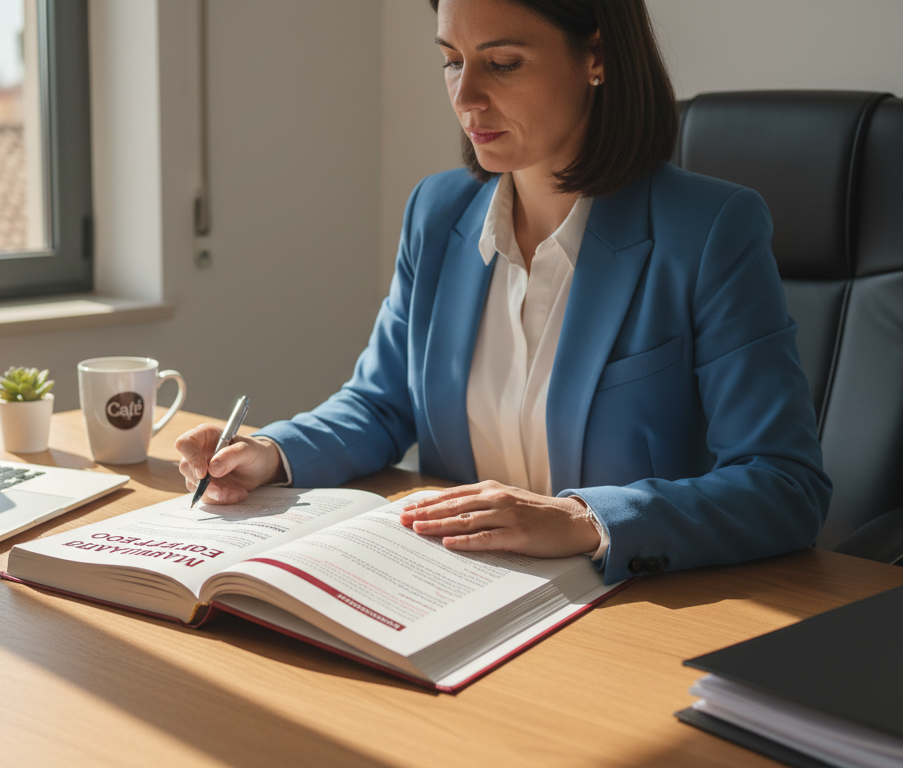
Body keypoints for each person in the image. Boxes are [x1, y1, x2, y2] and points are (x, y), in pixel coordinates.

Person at [175, 0, 830, 584]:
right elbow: (380, 405)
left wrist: (581, 519)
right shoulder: (438, 212)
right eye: (452, 62)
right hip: (453, 590)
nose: (466, 97)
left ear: (596, 56)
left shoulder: (709, 231)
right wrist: (271, 452)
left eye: (503, 63)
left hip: (628, 604)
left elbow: (784, 484)